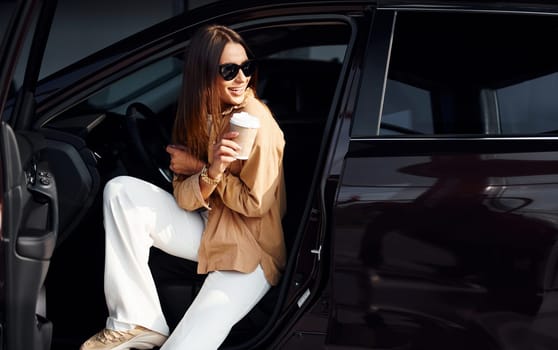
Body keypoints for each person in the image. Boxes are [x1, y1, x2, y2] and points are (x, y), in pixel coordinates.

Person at [80, 24, 287, 350]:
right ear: (204, 74)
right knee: (120, 192)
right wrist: (209, 171)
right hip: (209, 228)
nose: (241, 78)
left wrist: (205, 169)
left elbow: (255, 205)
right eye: (229, 70)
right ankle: (137, 319)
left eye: (246, 68)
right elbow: (185, 198)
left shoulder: (256, 122)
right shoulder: (195, 115)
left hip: (250, 248)